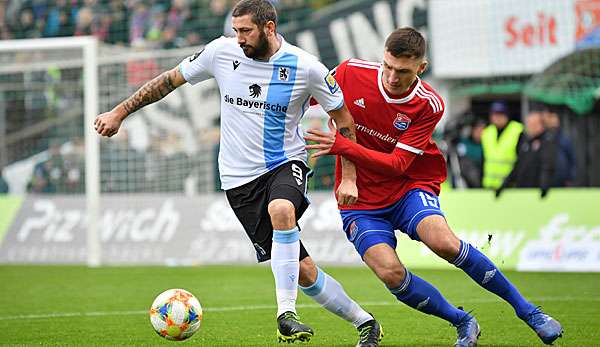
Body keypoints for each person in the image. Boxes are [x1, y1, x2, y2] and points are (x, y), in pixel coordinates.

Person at [94, 1, 382, 345]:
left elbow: (344, 120)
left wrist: (348, 175)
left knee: (282, 209)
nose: (239, 37)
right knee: (304, 272)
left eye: (246, 31)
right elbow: (168, 81)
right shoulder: (220, 52)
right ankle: (365, 322)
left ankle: (285, 314)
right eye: (236, 30)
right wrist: (119, 112)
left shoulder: (307, 68)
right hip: (237, 181)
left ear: (270, 28)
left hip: (283, 163)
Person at [305, 27, 563, 347]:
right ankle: (463, 320)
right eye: (387, 66)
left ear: (420, 69)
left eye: (402, 71)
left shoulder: (429, 104)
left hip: (408, 186)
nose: (391, 77)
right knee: (390, 273)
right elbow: (304, 93)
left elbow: (398, 164)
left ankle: (530, 312)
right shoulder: (350, 72)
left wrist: (342, 147)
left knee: (444, 243)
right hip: (359, 199)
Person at [496, 110, 557, 198]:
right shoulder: (525, 141)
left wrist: (544, 186)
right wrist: (504, 185)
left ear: (541, 125)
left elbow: (547, 166)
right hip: (523, 191)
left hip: (536, 191)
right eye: (528, 124)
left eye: (532, 124)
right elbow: (518, 166)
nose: (529, 127)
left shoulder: (547, 141)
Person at [481, 101, 523, 190]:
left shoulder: (517, 130)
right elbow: (483, 159)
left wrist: (510, 181)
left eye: (500, 114)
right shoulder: (487, 132)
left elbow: (521, 161)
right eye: (494, 114)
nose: (497, 117)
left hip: (510, 186)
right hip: (489, 186)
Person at [542, 108, 576, 187]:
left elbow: (572, 159)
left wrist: (570, 178)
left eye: (552, 117)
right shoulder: (543, 137)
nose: (551, 121)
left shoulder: (563, 138)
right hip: (546, 180)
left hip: (561, 180)